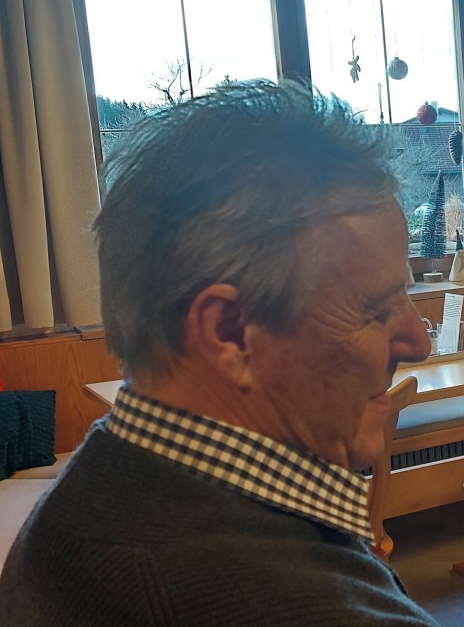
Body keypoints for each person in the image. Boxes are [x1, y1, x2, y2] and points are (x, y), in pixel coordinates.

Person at [0, 80, 438, 626]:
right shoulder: (295, 606)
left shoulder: (100, 485)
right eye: (374, 309)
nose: (418, 342)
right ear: (229, 333)